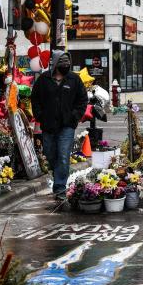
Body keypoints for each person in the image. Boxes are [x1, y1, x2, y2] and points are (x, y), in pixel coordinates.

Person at [31, 51, 87, 201]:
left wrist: (74, 117)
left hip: (66, 126)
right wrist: (40, 116)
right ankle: (58, 177)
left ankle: (60, 188)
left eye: (68, 64)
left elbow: (82, 100)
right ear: (55, 64)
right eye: (63, 64)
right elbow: (35, 99)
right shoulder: (43, 80)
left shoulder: (74, 79)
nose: (66, 67)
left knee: (63, 156)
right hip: (48, 125)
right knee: (50, 154)